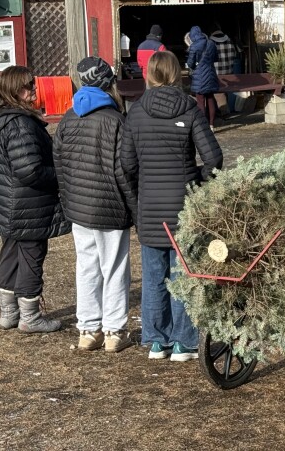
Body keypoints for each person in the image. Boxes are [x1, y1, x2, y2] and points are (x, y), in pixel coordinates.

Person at [121, 51, 223, 361]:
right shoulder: (190, 109)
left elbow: (126, 163)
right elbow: (214, 158)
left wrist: (144, 186)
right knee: (184, 276)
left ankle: (156, 341)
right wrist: (196, 182)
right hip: (183, 207)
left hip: (150, 207)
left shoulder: (136, 113)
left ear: (149, 75)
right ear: (177, 74)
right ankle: (184, 342)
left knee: (154, 278)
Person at [54, 57, 139, 351]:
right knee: (114, 268)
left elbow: (60, 165)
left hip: (79, 207)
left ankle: (88, 330)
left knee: (87, 267)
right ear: (108, 82)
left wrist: (68, 202)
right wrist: (135, 210)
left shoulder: (68, 117)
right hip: (111, 206)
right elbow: (123, 171)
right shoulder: (115, 120)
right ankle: (115, 332)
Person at [0, 65, 65, 333]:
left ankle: (9, 313)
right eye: (29, 86)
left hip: (4, 199)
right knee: (31, 253)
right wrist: (61, 176)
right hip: (28, 201)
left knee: (11, 250)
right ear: (15, 90)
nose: (34, 91)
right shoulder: (19, 123)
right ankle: (30, 317)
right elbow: (30, 170)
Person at [186, 25, 221, 129]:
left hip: (199, 77)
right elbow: (216, 58)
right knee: (210, 99)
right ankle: (211, 124)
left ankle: (203, 126)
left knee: (200, 101)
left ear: (192, 36)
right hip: (211, 74)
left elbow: (190, 63)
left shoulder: (194, 46)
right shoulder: (211, 43)